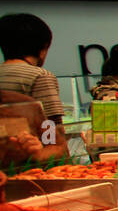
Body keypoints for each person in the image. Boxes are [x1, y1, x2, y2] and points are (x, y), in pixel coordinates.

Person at [0, 13, 69, 160]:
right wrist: (56, 152)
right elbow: (51, 123)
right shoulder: (40, 75)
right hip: (31, 159)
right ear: (43, 48)